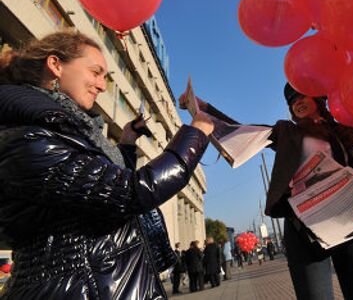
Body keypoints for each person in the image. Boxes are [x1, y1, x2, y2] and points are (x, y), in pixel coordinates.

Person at [0, 31, 214, 299]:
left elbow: (97, 188)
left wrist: (125, 143)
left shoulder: (66, 130)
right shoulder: (29, 136)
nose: (102, 86)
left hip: (100, 283)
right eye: (95, 72)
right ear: (55, 65)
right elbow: (131, 192)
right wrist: (195, 135)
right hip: (78, 289)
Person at [182, 83, 353, 300]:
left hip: (350, 221)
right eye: (291, 101)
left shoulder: (338, 128)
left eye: (301, 95)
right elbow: (239, 131)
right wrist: (202, 107)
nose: (297, 102)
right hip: (305, 231)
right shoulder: (286, 132)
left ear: (318, 99)